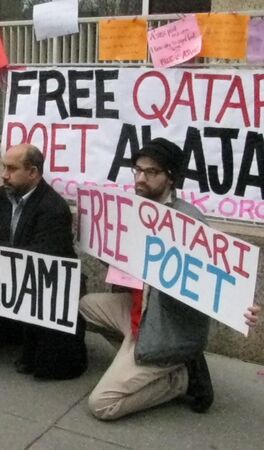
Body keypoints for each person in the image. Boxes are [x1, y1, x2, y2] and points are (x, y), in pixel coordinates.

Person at [79, 137, 261, 421]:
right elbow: (119, 262)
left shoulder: (188, 222)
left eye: (151, 172)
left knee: (101, 405)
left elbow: (215, 281)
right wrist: (94, 237)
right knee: (85, 306)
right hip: (139, 314)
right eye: (138, 170)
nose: (141, 178)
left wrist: (240, 308)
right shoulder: (133, 209)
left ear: (171, 178)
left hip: (166, 327)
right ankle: (139, 358)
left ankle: (181, 379)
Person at [0, 143, 87, 379]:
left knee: (48, 363)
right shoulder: (1, 195)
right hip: (8, 274)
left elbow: (41, 256)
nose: (3, 175)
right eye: (3, 167)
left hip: (46, 282)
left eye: (11, 169)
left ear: (33, 172)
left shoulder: (53, 208)